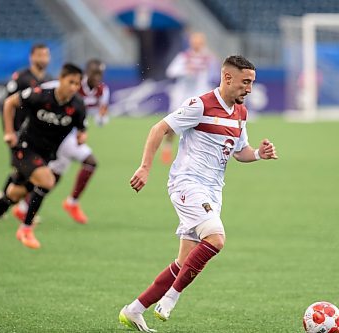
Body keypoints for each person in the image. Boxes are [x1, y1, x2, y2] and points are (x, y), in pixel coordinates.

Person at [118, 55, 278, 332]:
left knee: (183, 262)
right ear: (227, 77)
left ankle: (134, 310)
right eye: (245, 82)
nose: (250, 89)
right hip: (187, 184)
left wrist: (259, 155)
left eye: (252, 83)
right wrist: (145, 167)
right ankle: (171, 298)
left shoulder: (241, 112)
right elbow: (159, 128)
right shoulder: (200, 105)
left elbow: (240, 152)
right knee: (216, 238)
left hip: (213, 192)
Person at [0, 63, 86, 252]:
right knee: (48, 181)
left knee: (14, 195)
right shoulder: (41, 94)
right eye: (70, 82)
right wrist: (9, 132)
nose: (73, 87)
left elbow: (82, 129)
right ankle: (26, 228)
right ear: (61, 79)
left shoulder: (77, 105)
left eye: (77, 84)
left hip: (46, 155)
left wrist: (82, 136)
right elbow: (10, 103)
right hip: (24, 149)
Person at [13, 59, 109, 224]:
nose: (97, 77)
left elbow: (101, 117)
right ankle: (72, 203)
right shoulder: (74, 85)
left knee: (53, 176)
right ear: (87, 73)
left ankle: (22, 206)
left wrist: (100, 119)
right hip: (60, 135)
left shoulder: (103, 90)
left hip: (71, 136)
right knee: (90, 162)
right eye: (94, 73)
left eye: (100, 74)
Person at [0, 44, 53, 203]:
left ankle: (5, 198)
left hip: (37, 135)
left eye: (46, 55)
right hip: (19, 132)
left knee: (25, 170)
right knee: (28, 169)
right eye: (40, 55)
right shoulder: (20, 78)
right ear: (32, 57)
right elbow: (7, 105)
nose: (44, 59)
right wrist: (9, 131)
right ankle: (13, 204)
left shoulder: (49, 80)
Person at [161, 32, 218, 164]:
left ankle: (198, 153)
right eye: (194, 41)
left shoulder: (209, 58)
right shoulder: (184, 56)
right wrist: (186, 70)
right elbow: (171, 71)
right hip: (182, 95)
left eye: (199, 41)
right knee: (173, 123)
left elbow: (215, 75)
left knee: (202, 125)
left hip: (200, 95)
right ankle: (167, 147)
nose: (197, 44)